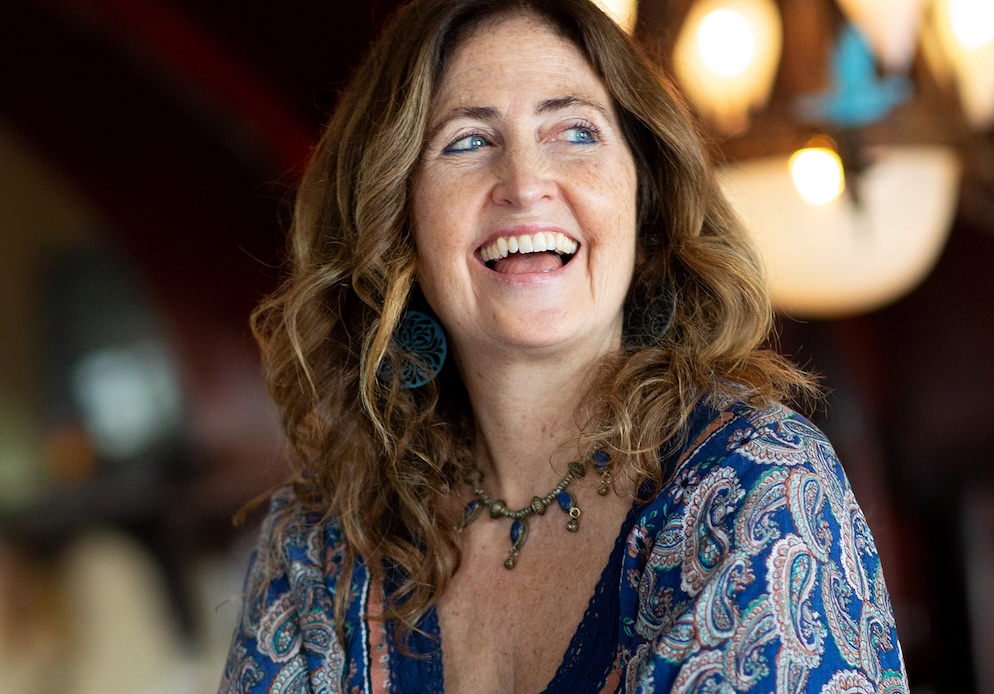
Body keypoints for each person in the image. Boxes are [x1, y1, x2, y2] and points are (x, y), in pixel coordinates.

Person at [220, 0, 909, 691]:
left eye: (576, 132)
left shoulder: (754, 486)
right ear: (395, 217)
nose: (524, 185)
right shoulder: (321, 542)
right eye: (467, 141)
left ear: (645, 197)